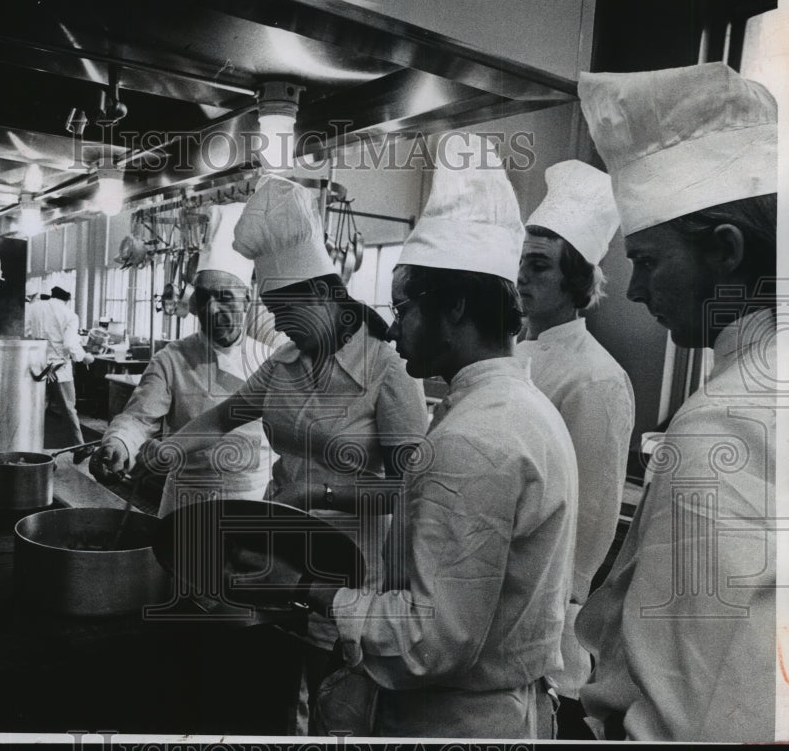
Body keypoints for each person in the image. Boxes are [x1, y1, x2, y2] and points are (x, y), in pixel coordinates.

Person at [224, 136, 579, 738]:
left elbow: (429, 638)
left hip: (453, 721)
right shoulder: (518, 409)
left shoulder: (475, 439)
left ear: (458, 307)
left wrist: (304, 588)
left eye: (406, 305)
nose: (392, 327)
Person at [136, 173, 428, 734]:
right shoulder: (286, 361)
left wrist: (321, 490)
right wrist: (171, 449)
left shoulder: (386, 372)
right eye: (268, 308)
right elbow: (225, 415)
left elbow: (409, 489)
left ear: (321, 296)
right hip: (279, 552)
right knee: (269, 689)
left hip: (350, 564)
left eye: (280, 307)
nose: (273, 322)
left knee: (330, 703)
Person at [574, 62, 778, 742]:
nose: (633, 290)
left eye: (649, 260)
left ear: (725, 250)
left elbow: (699, 715)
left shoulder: (727, 421)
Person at [515, 160, 636, 737]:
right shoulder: (514, 355)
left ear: (577, 280)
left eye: (538, 265)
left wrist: (556, 617)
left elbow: (591, 519)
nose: (520, 277)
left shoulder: (596, 379)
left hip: (545, 620)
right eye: (520, 261)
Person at [89, 203, 274, 516]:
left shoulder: (270, 360)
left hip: (253, 501)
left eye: (225, 297)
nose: (212, 310)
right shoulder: (172, 359)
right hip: (187, 501)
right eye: (204, 297)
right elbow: (138, 418)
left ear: (248, 298)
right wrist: (119, 443)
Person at [27, 285, 94, 447]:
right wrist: (84, 357)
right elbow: (70, 344)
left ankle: (30, 447)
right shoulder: (69, 314)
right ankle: (79, 447)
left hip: (36, 366)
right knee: (69, 409)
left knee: (36, 409)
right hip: (59, 369)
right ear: (68, 299)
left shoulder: (34, 308)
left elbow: (26, 332)